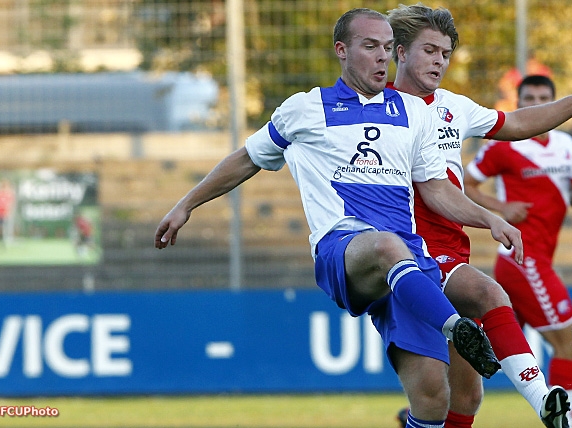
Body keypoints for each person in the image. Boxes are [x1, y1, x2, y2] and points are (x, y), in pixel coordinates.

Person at [155, 9, 526, 428]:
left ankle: (443, 345)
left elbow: (437, 190)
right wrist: (185, 204)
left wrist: (489, 217)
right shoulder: (306, 109)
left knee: (432, 395)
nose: (382, 58)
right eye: (370, 47)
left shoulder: (413, 112)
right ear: (342, 50)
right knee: (387, 244)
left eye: (387, 48)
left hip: (407, 265)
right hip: (343, 251)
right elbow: (246, 159)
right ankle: (457, 326)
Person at [386, 4, 572, 428]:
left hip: (452, 252)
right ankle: (547, 404)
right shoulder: (377, 108)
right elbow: (434, 190)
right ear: (401, 52)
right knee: (489, 295)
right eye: (429, 50)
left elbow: (518, 123)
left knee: (463, 394)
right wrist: (493, 215)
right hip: (412, 254)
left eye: (445, 53)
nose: (438, 61)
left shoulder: (452, 107)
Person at [464, 75, 572, 428]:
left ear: (554, 101)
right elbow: (464, 183)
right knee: (567, 344)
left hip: (541, 259)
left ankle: (430, 413)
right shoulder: (503, 146)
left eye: (544, 97)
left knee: (486, 355)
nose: (537, 102)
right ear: (519, 101)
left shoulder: (567, 145)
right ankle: (564, 421)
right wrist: (500, 207)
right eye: (530, 97)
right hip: (523, 260)